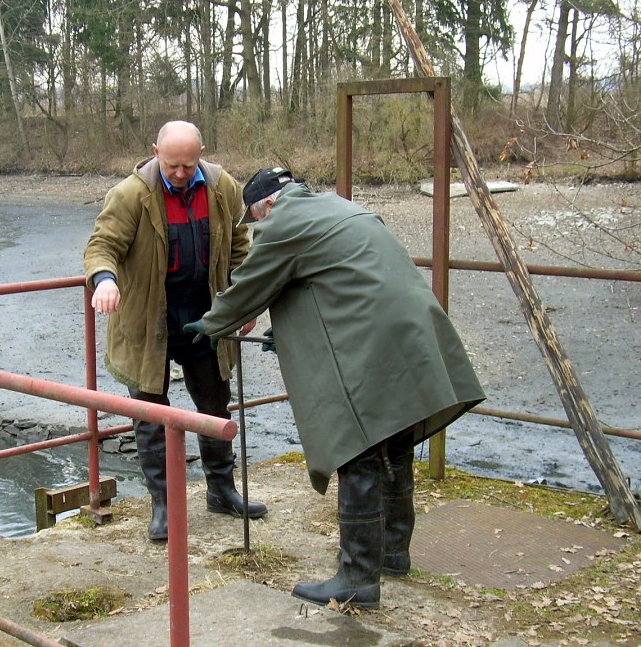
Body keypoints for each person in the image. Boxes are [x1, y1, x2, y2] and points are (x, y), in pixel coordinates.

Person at [184, 167, 486, 608]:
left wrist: (212, 323)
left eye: (256, 218)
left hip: (371, 337)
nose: (260, 227)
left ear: (267, 204)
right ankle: (392, 553)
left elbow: (254, 283)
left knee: (357, 446)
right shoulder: (337, 206)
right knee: (394, 438)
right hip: (411, 326)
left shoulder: (283, 222)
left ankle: (358, 577)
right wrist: (288, 330)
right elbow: (329, 279)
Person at [83, 120, 268, 542]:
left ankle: (221, 491)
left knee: (215, 407)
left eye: (189, 164)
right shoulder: (131, 194)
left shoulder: (222, 188)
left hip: (207, 317)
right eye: (172, 165)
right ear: (155, 152)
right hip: (149, 320)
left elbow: (241, 247)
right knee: (151, 416)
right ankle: (164, 505)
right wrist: (106, 280)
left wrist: (244, 302)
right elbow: (101, 246)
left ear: (201, 152)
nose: (181, 173)